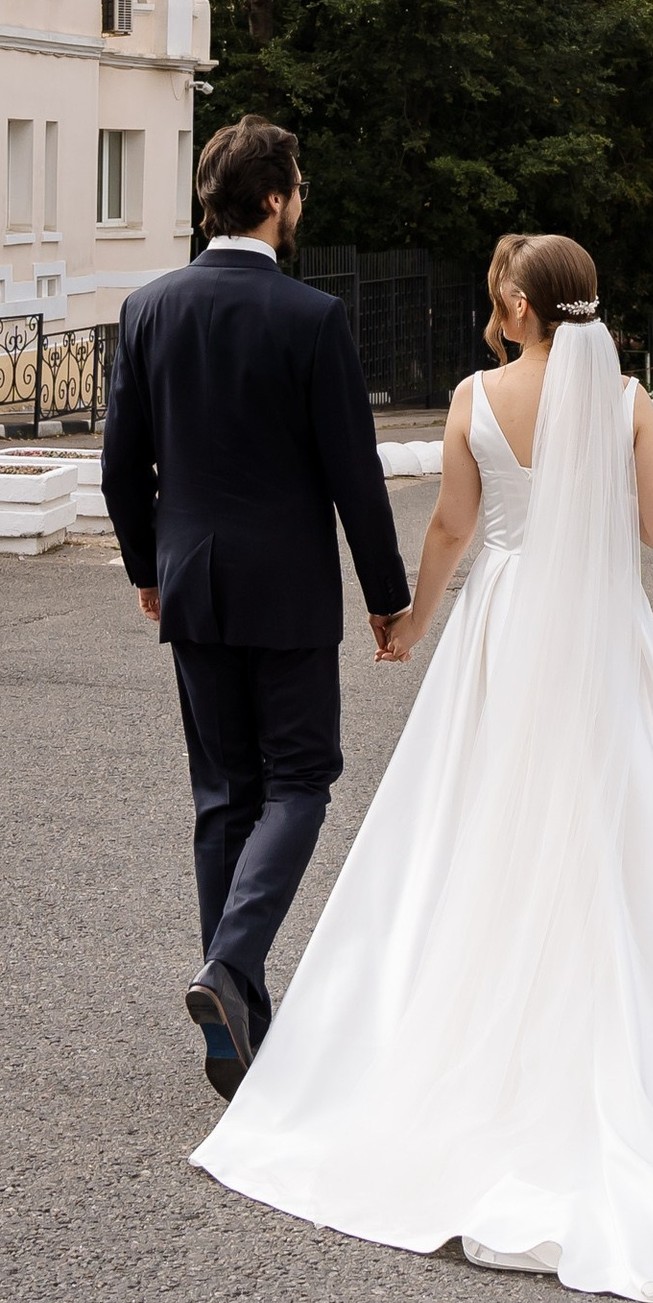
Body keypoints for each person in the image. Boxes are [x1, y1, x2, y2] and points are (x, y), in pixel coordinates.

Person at [191, 231, 653, 1302]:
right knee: (612, 840)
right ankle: (619, 1075)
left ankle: (451, 1062)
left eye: (497, 293)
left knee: (471, 835)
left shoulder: (472, 398)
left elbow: (456, 524)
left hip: (501, 633)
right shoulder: (630, 402)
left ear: (516, 304)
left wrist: (410, 618)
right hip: (601, 641)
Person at [100, 115, 412, 1100]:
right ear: (274, 200)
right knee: (303, 779)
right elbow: (352, 476)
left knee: (222, 795)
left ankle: (234, 1024)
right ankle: (230, 971)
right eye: (301, 188)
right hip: (286, 588)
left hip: (190, 580)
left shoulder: (147, 309)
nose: (302, 202)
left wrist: (145, 563)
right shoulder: (310, 317)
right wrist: (386, 596)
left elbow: (119, 468)